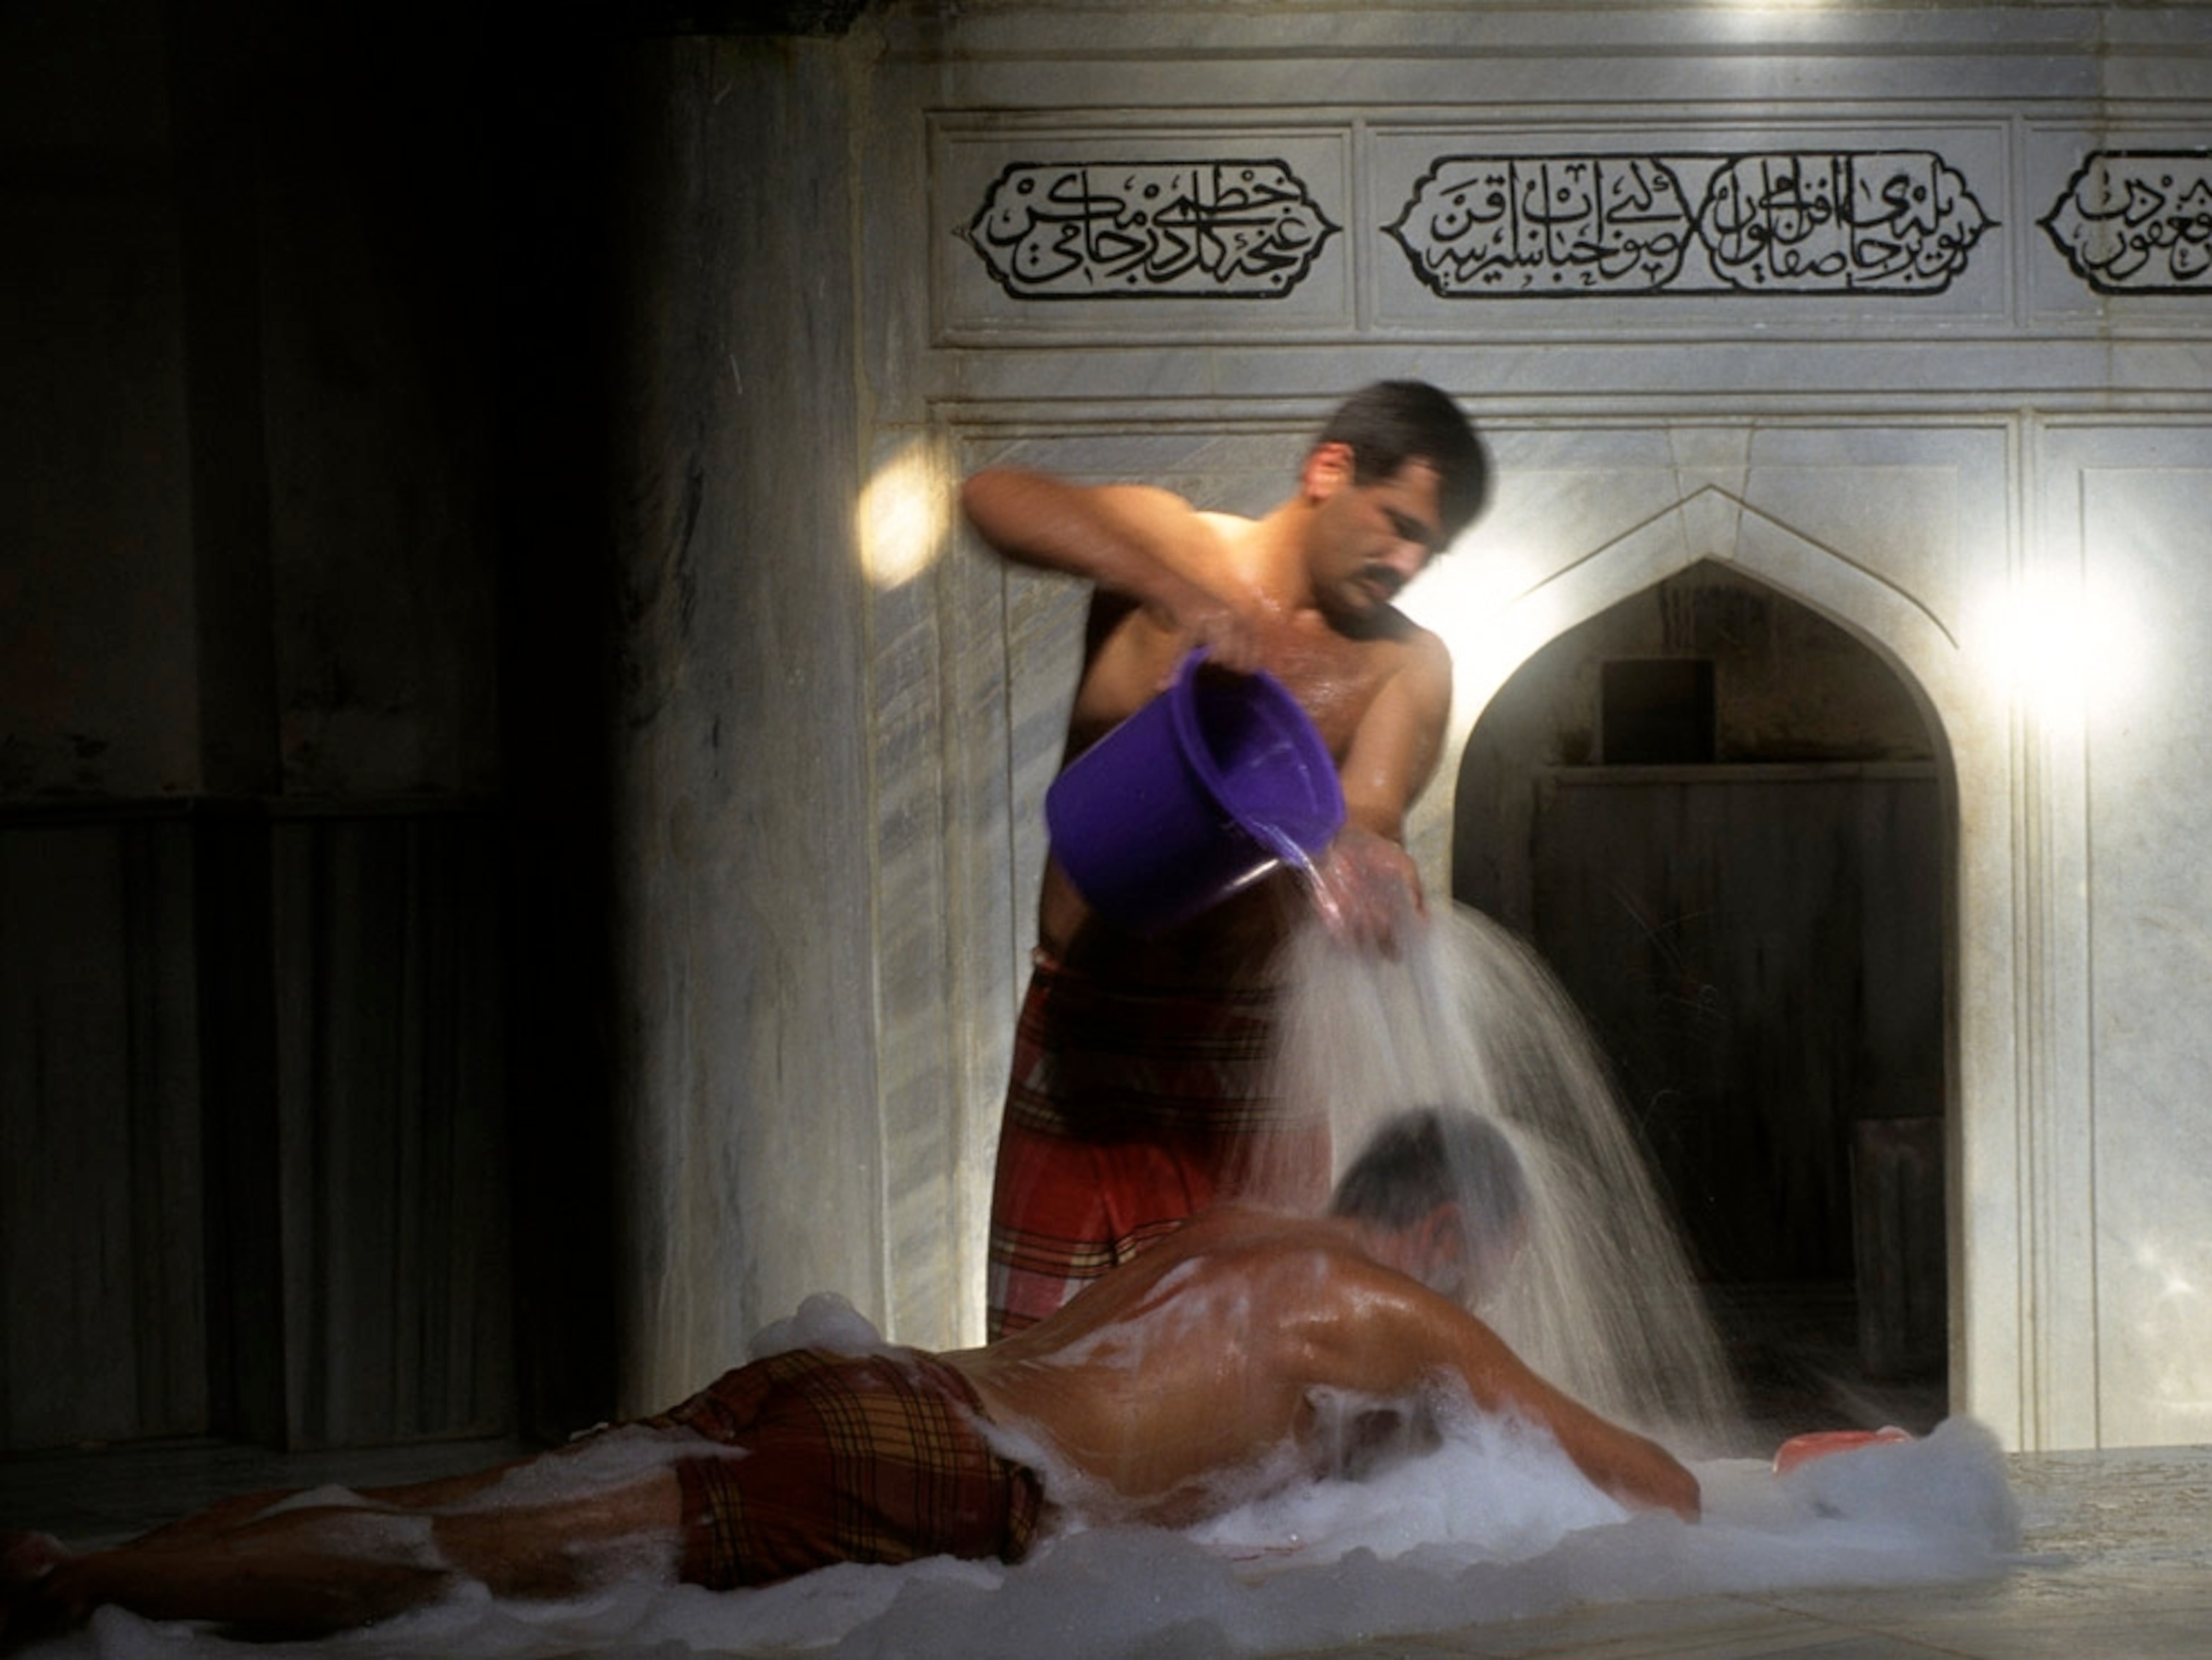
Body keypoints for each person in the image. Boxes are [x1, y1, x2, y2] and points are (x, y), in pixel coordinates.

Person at [1, 1109, 1695, 1646]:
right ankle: (80, 1584)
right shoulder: (1392, 1310)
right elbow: (1652, 1482)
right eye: (1491, 1269)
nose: (1484, 1301)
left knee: (455, 1506)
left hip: (866, 1385)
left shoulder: (1232, 1232)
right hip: (932, 1466)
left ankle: (96, 1563)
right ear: (1445, 1233)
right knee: (477, 1560)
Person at [963, 380, 1493, 1335]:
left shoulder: (1407, 662)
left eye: (1430, 548)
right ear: (1330, 469)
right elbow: (991, 497)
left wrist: (1367, 858)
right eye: (1399, 523)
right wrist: (1177, 593)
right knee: (1040, 1353)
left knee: (1245, 1368)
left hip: (1251, 1057)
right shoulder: (1178, 545)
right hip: (1087, 1027)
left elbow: (1368, 810)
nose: (1408, 562)